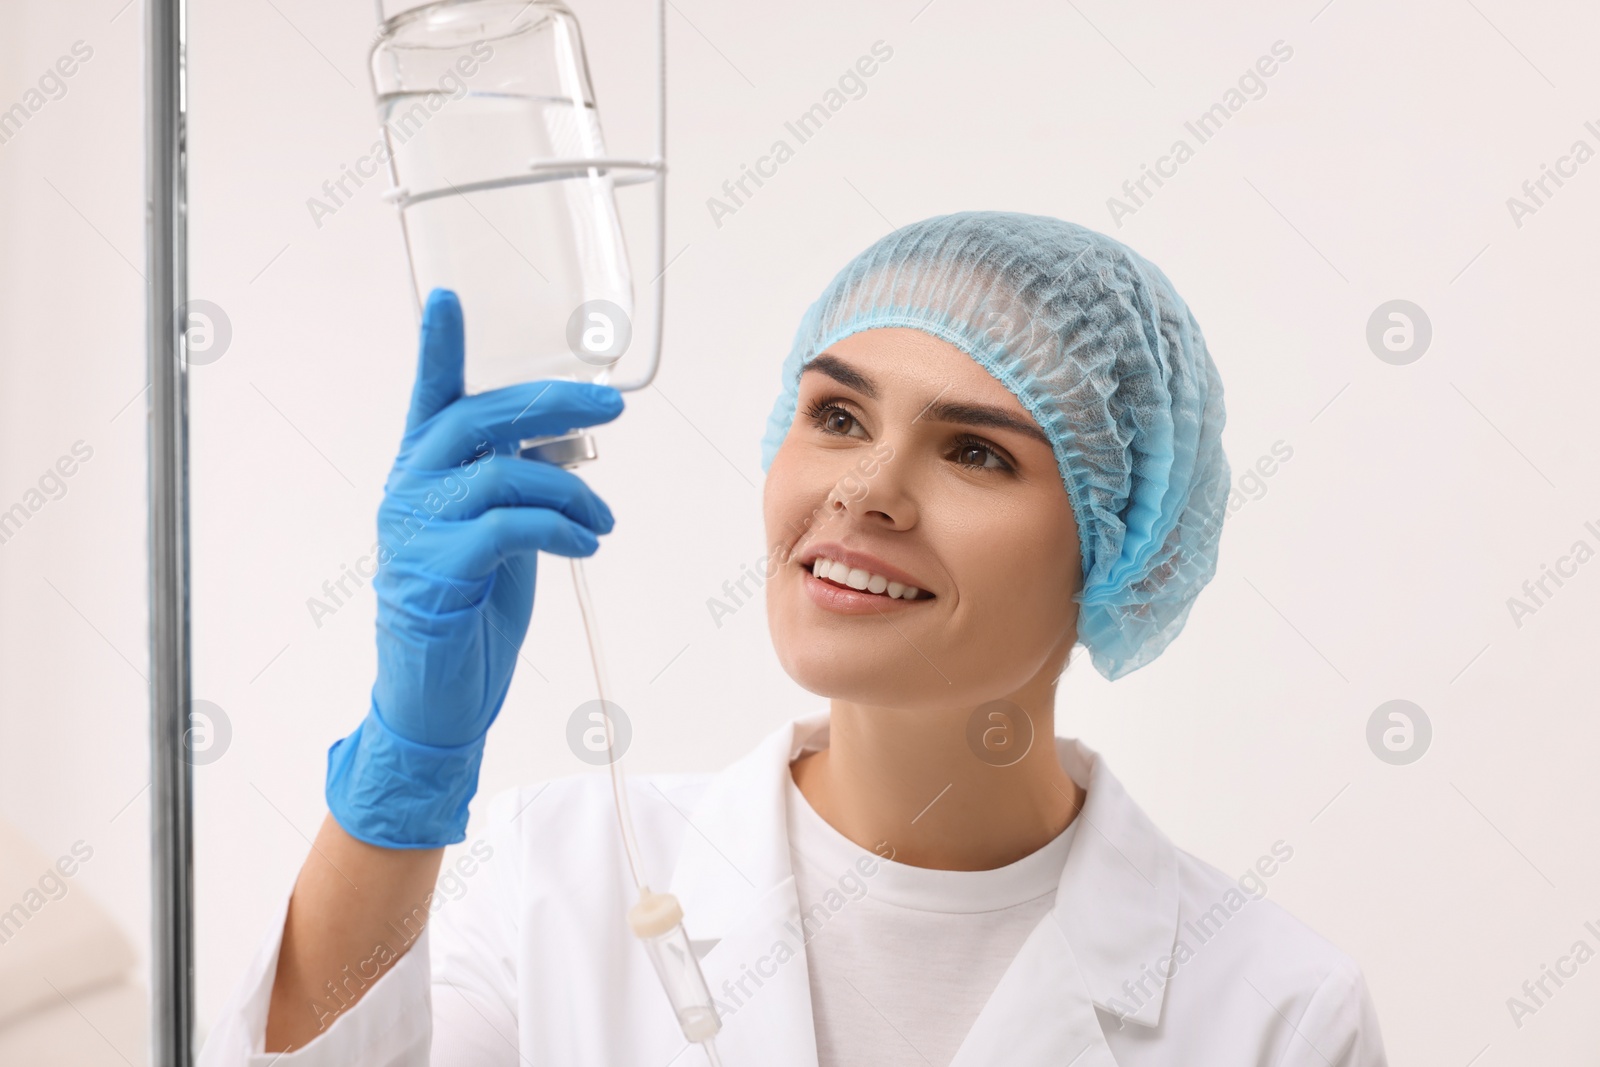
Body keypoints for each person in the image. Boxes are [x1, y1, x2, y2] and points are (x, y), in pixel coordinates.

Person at [200, 212, 1387, 1066]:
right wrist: (404, 773)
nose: (866, 488)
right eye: (836, 415)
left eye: (975, 450)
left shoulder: (1274, 1012)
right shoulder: (553, 879)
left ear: (1122, 546)